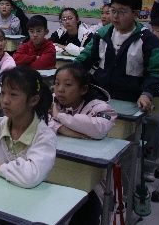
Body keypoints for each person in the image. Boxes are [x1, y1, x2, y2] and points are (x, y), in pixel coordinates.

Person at [75, 0, 159, 181]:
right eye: (113, 11)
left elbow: (156, 72)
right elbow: (83, 61)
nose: (115, 16)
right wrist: (68, 78)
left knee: (126, 149)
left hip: (130, 103)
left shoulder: (147, 39)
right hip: (100, 100)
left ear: (136, 14)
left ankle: (126, 189)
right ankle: (98, 183)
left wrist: (147, 93)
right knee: (94, 145)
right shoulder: (102, 34)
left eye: (122, 12)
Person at [49, 63, 117, 225]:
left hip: (90, 177)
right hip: (57, 168)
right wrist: (64, 129)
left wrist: (59, 116)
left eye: (68, 85)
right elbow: (39, 122)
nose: (60, 90)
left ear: (83, 89)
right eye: (57, 83)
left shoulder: (99, 106)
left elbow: (98, 129)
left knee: (86, 207)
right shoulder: (50, 100)